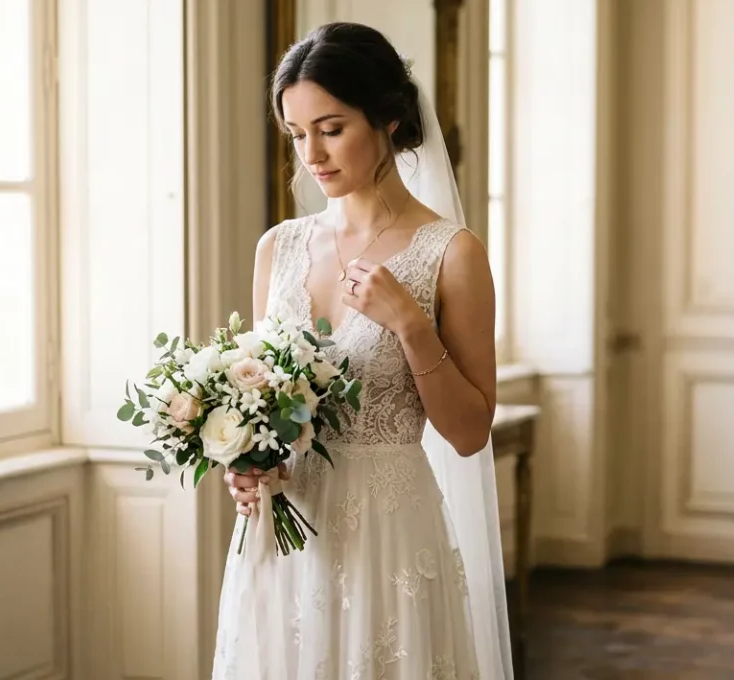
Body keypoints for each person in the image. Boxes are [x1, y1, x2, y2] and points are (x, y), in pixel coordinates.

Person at [210, 21, 514, 680]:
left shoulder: (452, 254)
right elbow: (265, 401)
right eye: (297, 134)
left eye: (331, 128)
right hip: (284, 536)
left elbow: (469, 433)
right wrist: (248, 461)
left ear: (388, 119)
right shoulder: (278, 247)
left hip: (388, 537)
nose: (312, 155)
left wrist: (410, 324)